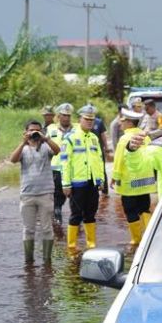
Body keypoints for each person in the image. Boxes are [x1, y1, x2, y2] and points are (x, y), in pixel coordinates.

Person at [10, 119, 61, 266]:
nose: (34, 133)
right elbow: (13, 159)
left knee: (46, 228)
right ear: (25, 132)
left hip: (46, 193)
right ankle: (29, 261)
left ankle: (47, 261)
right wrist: (23, 142)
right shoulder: (23, 149)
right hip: (27, 194)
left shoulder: (46, 147)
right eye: (31, 130)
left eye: (37, 130)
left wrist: (45, 138)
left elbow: (58, 151)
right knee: (28, 229)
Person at [60, 104, 105, 253]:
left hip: (92, 183)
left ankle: (91, 244)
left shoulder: (94, 138)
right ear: (80, 119)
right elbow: (64, 162)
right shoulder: (70, 138)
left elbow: (98, 160)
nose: (90, 122)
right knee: (76, 215)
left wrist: (100, 180)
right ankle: (71, 246)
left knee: (91, 213)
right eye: (87, 119)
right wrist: (66, 184)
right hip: (77, 184)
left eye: (92, 120)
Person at [111, 108, 157, 244]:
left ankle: (136, 240)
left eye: (123, 121)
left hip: (129, 183)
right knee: (144, 209)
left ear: (130, 123)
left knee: (130, 210)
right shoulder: (146, 137)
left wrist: (115, 176)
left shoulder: (124, 138)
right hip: (145, 182)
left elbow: (119, 159)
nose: (120, 124)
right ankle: (150, 237)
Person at [47, 102, 75, 233]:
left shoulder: (76, 129)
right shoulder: (51, 129)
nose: (66, 118)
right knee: (57, 198)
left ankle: (75, 223)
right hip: (56, 169)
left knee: (75, 197)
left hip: (73, 169)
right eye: (64, 115)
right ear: (58, 116)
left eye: (68, 116)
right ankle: (57, 224)